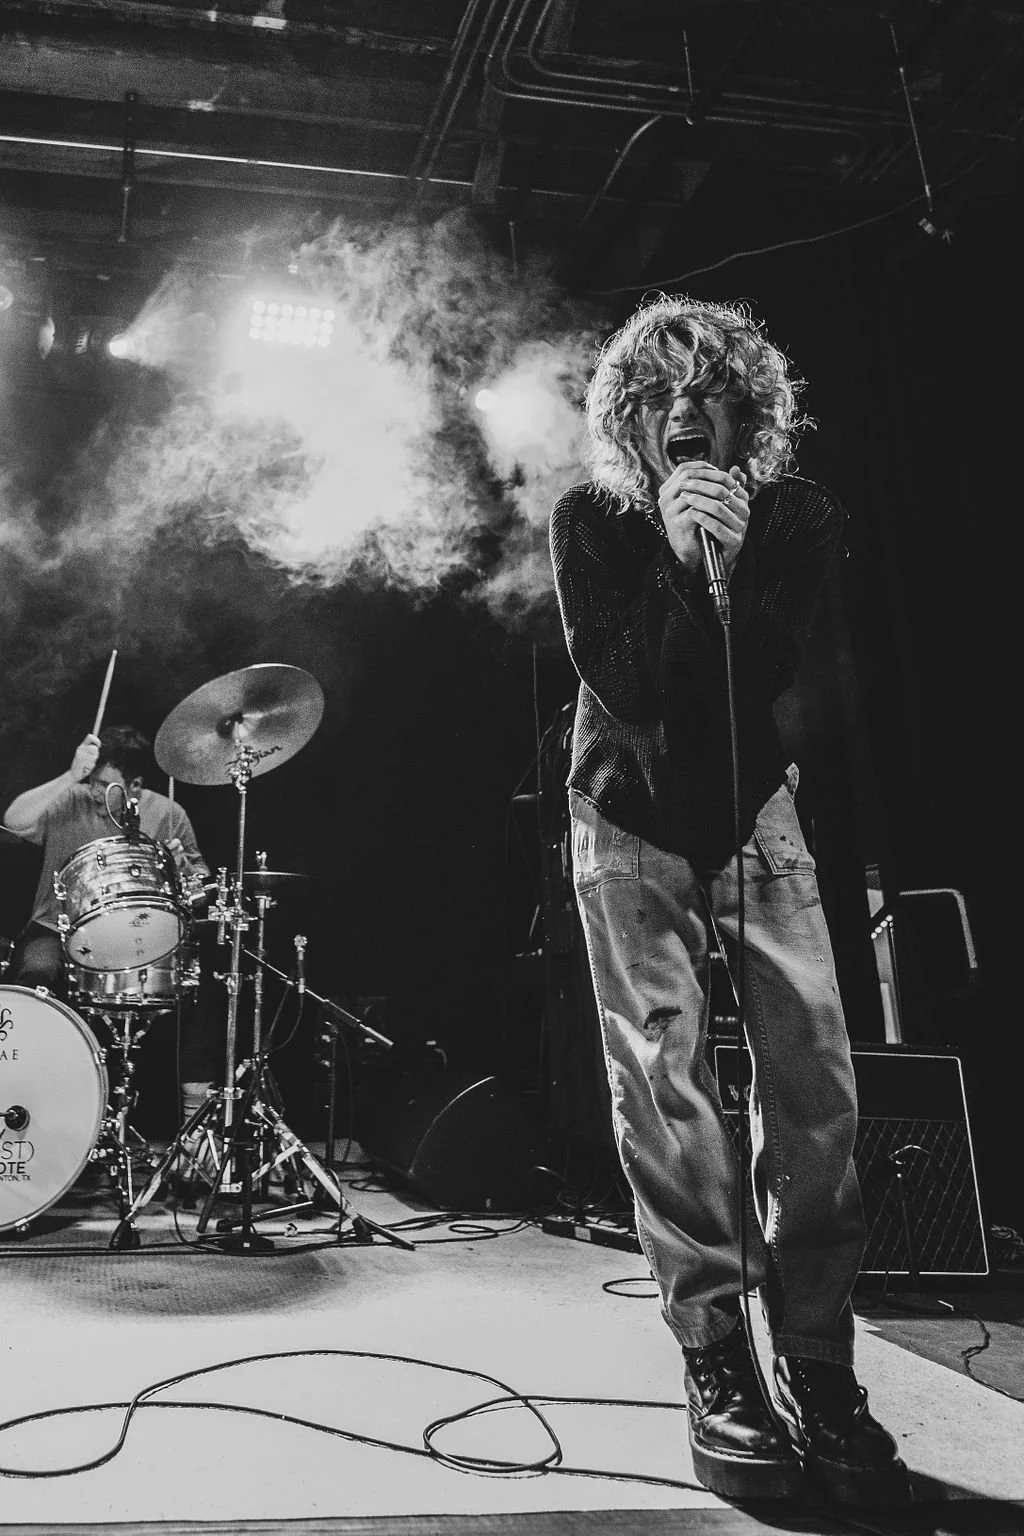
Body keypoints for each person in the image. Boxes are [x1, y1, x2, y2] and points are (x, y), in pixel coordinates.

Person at [549, 296, 910, 1508]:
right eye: (655, 395)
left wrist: (733, 557)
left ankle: (817, 1360)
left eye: (704, 390)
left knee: (814, 1081)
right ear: (629, 419)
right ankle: (715, 1356)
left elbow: (761, 670)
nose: (681, 412)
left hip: (754, 807)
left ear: (743, 411)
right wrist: (671, 550)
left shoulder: (796, 517)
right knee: (664, 1082)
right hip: (624, 808)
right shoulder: (591, 521)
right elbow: (633, 685)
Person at [3, 725, 218, 1126]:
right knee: (35, 974)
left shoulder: (168, 813)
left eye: (105, 785)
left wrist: (182, 868)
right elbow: (14, 820)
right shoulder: (71, 797)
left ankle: (195, 1128)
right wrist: (71, 775)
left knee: (192, 988)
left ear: (134, 787)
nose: (93, 792)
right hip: (57, 927)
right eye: (92, 781)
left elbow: (200, 890)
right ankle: (22, 1103)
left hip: (136, 935)